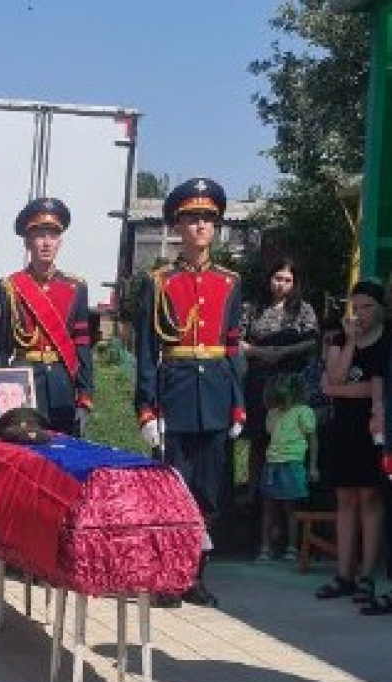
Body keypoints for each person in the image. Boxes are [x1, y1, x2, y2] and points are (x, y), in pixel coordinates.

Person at [134, 177, 245, 607]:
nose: (200, 226)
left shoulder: (230, 282)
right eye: (192, 218)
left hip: (215, 393)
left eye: (207, 219)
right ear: (177, 226)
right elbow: (146, 349)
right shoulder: (158, 281)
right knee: (172, 491)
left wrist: (237, 405)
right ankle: (167, 576)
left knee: (209, 492)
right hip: (175, 392)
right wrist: (146, 408)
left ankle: (195, 576)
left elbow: (233, 347)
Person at [0, 197, 93, 437]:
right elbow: (0, 349)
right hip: (23, 382)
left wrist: (85, 394)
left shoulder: (75, 288)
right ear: (27, 242)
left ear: (60, 242)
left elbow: (82, 344)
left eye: (53, 236)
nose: (46, 243)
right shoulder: (8, 289)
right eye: (39, 236)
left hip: (62, 384)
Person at [316, 280, 389, 606]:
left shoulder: (387, 340)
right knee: (345, 499)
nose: (360, 314)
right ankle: (343, 573)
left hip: (372, 427)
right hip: (342, 426)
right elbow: (331, 380)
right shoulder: (340, 336)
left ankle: (367, 575)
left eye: (367, 307)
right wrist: (351, 342)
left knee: (370, 499)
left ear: (381, 308)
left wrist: (339, 390)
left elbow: (373, 388)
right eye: (355, 307)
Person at [239, 258, 318, 503]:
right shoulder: (254, 307)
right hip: (259, 380)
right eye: (278, 278)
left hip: (290, 384)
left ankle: (287, 495)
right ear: (269, 279)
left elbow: (313, 339)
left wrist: (285, 352)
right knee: (259, 439)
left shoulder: (303, 309)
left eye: (287, 280)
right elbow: (236, 339)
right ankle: (254, 492)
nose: (282, 284)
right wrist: (259, 352)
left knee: (288, 438)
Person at [255, 373, 319, 563]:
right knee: (269, 506)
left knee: (291, 507)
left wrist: (313, 466)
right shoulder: (272, 412)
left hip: (293, 462)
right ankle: (265, 547)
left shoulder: (304, 411)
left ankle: (292, 547)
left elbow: (313, 440)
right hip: (272, 462)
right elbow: (270, 433)